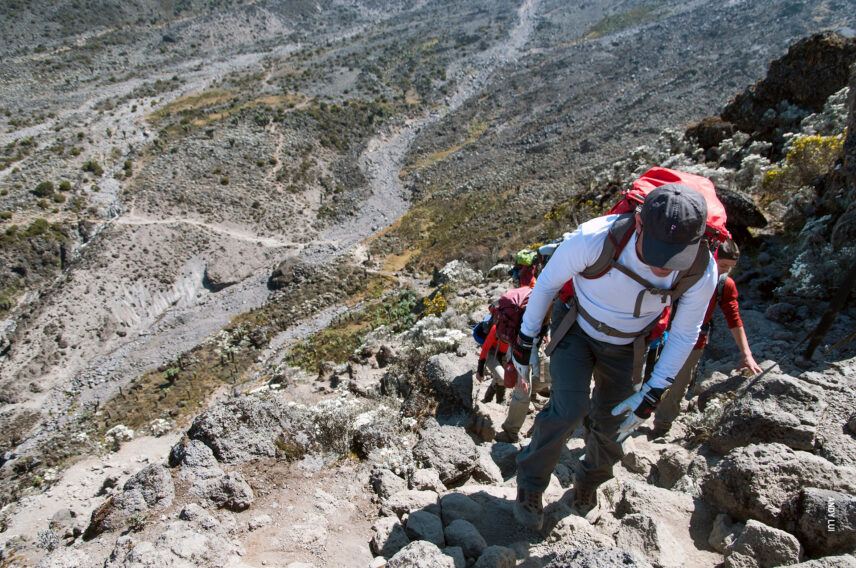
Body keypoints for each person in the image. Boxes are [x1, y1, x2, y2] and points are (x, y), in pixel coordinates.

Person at [509, 184, 718, 530]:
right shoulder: (593, 238)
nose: (665, 267)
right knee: (568, 408)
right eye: (657, 251)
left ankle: (589, 483)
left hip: (628, 344)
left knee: (615, 422)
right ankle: (530, 485)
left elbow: (685, 332)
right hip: (576, 326)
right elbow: (546, 284)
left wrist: (655, 391)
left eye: (675, 255)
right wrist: (525, 339)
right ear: (637, 222)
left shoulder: (701, 268)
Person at [649, 238, 761, 438]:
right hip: (659, 332)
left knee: (678, 384)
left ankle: (662, 426)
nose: (726, 270)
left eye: (731, 267)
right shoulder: (686, 272)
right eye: (723, 264)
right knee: (644, 376)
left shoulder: (724, 285)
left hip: (694, 340)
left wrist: (747, 354)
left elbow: (734, 319)